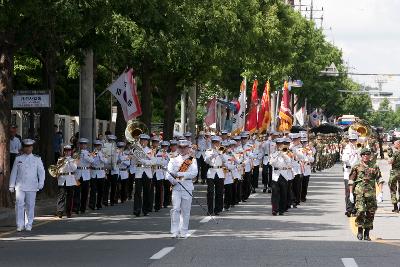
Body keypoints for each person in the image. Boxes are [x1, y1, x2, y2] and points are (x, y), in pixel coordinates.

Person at [9, 139, 45, 231]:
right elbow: (14, 172)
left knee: (30, 205)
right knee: (19, 205)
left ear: (32, 147)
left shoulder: (37, 158)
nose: (28, 148)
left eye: (30, 147)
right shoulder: (18, 158)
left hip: (32, 185)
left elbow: (41, 172)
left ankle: (29, 223)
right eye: (26, 147)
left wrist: (41, 183)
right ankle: (20, 224)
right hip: (20, 186)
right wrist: (11, 185)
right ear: (24, 148)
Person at [349, 148, 384, 241]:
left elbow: (379, 179)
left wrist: (380, 192)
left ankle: (367, 233)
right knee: (360, 211)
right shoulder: (356, 166)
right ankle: (360, 230)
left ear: (370, 156)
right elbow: (351, 180)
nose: (366, 156)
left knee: (370, 213)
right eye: (364, 154)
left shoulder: (375, 166)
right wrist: (350, 193)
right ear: (361, 156)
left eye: (367, 154)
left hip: (371, 193)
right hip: (359, 193)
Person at [166, 139, 198, 238]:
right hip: (176, 187)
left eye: (185, 147)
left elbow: (194, 173)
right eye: (181, 147)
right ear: (178, 148)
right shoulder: (173, 159)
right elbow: (168, 174)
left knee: (186, 210)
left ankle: (184, 231)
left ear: (188, 148)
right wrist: (174, 181)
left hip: (187, 187)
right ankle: (174, 231)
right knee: (175, 209)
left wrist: (179, 174)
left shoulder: (192, 159)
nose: (183, 149)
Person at [269, 138, 294, 215]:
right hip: (276, 175)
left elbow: (289, 163)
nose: (280, 146)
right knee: (275, 193)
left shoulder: (287, 153)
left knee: (283, 193)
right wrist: (277, 154)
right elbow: (271, 163)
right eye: (278, 144)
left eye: (281, 144)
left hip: (284, 174)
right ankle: (274, 209)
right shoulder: (273, 154)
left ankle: (281, 209)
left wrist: (283, 154)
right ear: (276, 145)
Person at [133, 134, 155, 217]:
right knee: (137, 192)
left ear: (147, 141)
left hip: (147, 172)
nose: (143, 142)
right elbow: (133, 162)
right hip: (139, 172)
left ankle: (145, 210)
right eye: (141, 140)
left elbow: (153, 161)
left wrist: (145, 161)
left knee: (147, 192)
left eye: (145, 140)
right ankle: (137, 210)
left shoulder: (150, 150)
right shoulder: (136, 150)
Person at [204, 136, 225, 215]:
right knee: (210, 191)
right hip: (211, 172)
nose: (215, 144)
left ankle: (218, 209)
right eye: (214, 142)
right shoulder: (208, 151)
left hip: (220, 172)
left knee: (219, 192)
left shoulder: (222, 149)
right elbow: (206, 160)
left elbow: (225, 160)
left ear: (219, 143)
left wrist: (220, 153)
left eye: (217, 142)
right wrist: (212, 155)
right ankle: (210, 210)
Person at [73, 138, 94, 214]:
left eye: (84, 144)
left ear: (86, 145)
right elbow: (73, 163)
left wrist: (85, 156)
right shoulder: (76, 153)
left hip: (86, 174)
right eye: (81, 144)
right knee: (77, 192)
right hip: (78, 173)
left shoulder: (89, 153)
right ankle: (76, 208)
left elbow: (92, 161)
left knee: (85, 192)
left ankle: (83, 208)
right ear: (79, 145)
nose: (82, 145)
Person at [56, 145, 78, 218]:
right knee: (61, 196)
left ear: (71, 151)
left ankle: (68, 212)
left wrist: (69, 161)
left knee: (70, 196)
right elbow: (57, 169)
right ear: (64, 151)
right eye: (66, 150)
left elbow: (74, 168)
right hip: (62, 178)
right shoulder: (60, 159)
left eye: (69, 150)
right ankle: (60, 211)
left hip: (70, 178)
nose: (67, 152)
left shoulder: (73, 160)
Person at [341, 134, 360, 217]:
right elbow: (344, 159)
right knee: (349, 192)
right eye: (351, 140)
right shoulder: (347, 149)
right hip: (348, 173)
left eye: (354, 140)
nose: (353, 142)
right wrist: (349, 165)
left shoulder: (357, 148)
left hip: (356, 173)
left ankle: (354, 209)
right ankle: (349, 209)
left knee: (356, 191)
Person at [89, 140, 108, 210]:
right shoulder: (92, 153)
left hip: (101, 173)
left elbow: (106, 161)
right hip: (93, 172)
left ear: (100, 146)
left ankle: (99, 204)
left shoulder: (103, 153)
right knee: (93, 190)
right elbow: (90, 161)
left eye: (99, 146)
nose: (97, 147)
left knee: (101, 190)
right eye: (96, 146)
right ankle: (92, 204)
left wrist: (101, 157)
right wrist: (93, 156)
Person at [153, 141, 169, 211]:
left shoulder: (165, 154)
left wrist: (156, 162)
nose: (164, 148)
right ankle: (149, 205)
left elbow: (166, 162)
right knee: (150, 191)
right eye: (163, 146)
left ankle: (157, 206)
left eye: (166, 147)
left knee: (159, 190)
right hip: (152, 172)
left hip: (160, 173)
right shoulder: (152, 152)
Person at [388, 140, 400, 213]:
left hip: (395, 172)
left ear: (398, 145)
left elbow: (390, 162)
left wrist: (389, 157)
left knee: (393, 189)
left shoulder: (396, 153)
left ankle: (395, 207)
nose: (394, 145)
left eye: (395, 144)